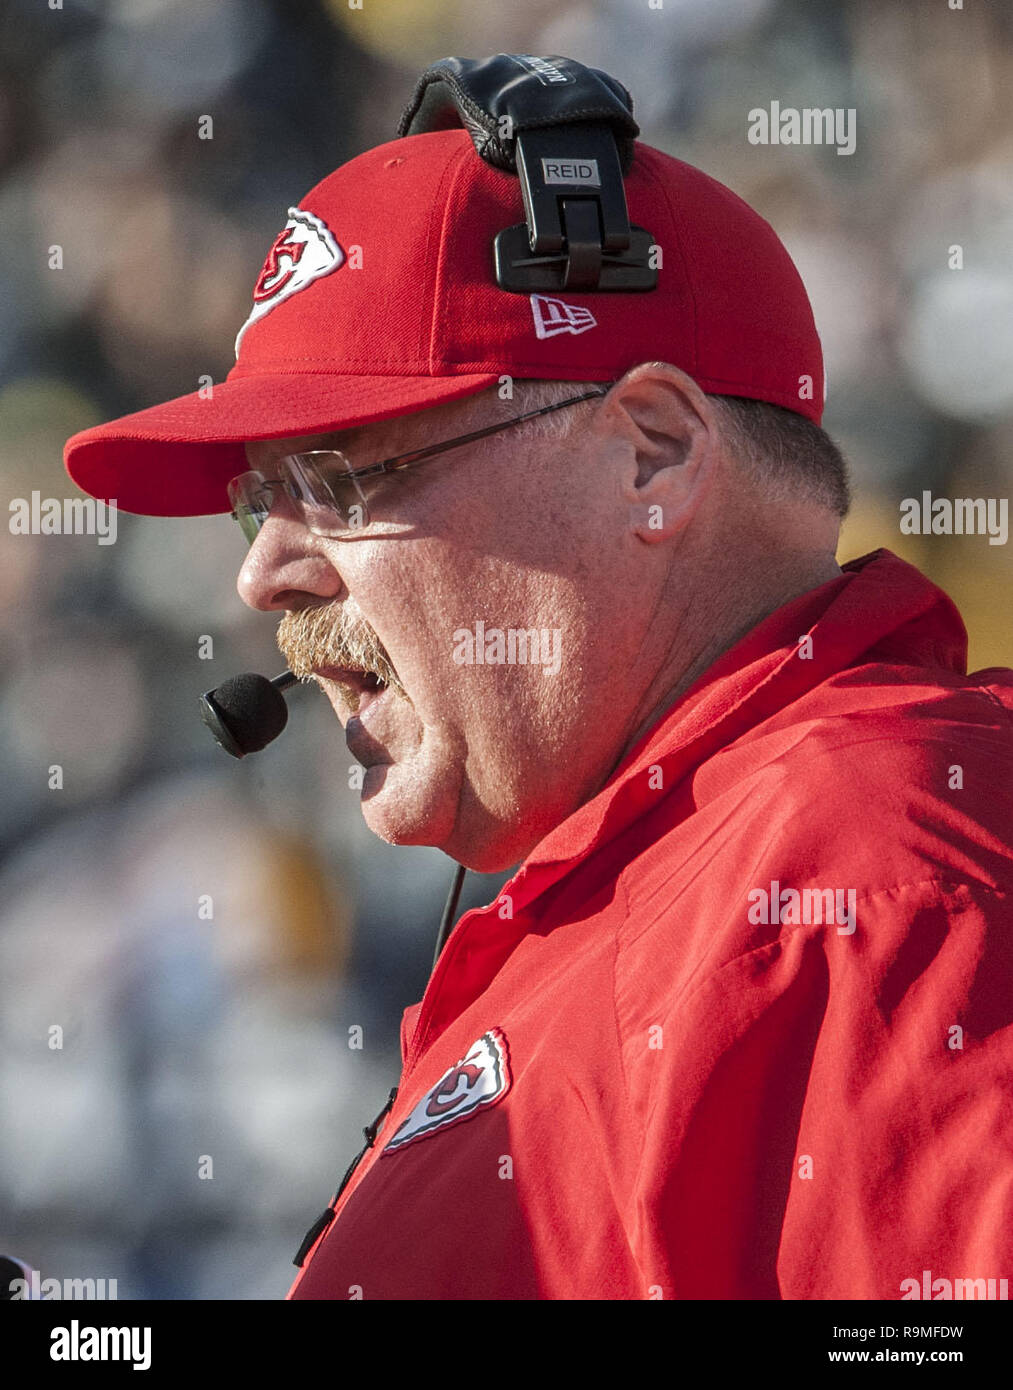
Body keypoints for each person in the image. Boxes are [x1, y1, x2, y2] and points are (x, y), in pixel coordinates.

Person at [64, 57, 1013, 1300]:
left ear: (653, 456)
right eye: (260, 499)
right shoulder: (677, 873)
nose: (264, 575)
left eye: (341, 479)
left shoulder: (864, 876)